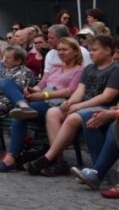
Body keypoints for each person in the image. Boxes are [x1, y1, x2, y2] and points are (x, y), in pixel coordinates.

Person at [25, 35, 119, 176]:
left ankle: (48, 158)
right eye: (90, 50)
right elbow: (80, 91)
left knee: (74, 118)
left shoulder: (114, 70)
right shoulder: (89, 69)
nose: (91, 53)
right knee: (53, 113)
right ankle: (59, 160)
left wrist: (78, 106)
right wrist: (69, 102)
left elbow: (106, 97)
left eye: (94, 50)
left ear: (107, 50)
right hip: (84, 106)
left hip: (103, 108)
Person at [0, 37, 84, 172]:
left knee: (20, 114)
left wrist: (44, 95)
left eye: (64, 49)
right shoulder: (56, 68)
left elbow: (71, 91)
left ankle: (11, 158)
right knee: (5, 82)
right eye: (59, 50)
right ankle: (23, 105)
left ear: (75, 52)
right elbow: (41, 85)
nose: (61, 52)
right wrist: (31, 91)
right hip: (41, 100)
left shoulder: (79, 70)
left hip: (57, 105)